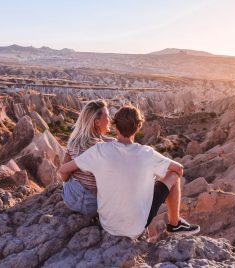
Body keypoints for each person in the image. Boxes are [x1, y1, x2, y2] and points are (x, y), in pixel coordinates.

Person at [58, 105, 200, 239]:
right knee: (173, 175)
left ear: (116, 125)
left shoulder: (99, 150)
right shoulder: (147, 153)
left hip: (108, 224)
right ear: (138, 127)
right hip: (136, 228)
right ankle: (174, 224)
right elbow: (179, 169)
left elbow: (63, 170)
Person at [60, 99, 112, 216]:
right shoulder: (103, 149)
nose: (110, 120)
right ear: (97, 122)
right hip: (91, 205)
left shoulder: (74, 142)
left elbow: (64, 177)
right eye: (107, 116)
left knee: (69, 181)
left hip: (72, 198)